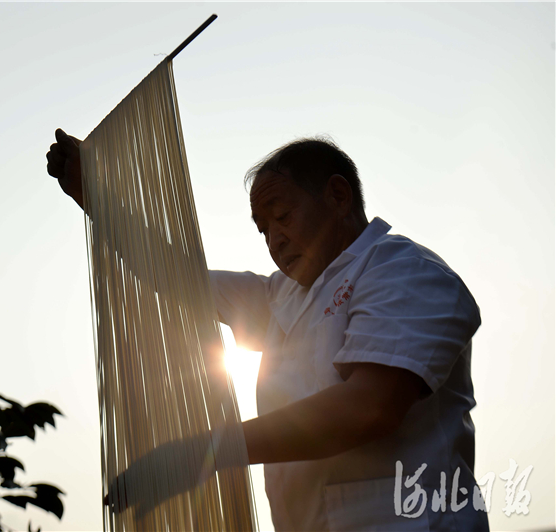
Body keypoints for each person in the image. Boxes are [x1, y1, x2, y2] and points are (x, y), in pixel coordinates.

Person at [47, 129, 489, 531]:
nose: (274, 240)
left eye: (283, 216)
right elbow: (175, 276)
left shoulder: (406, 272)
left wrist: (208, 451)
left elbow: (370, 407)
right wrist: (98, 199)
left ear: (338, 196)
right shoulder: (283, 296)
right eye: (263, 230)